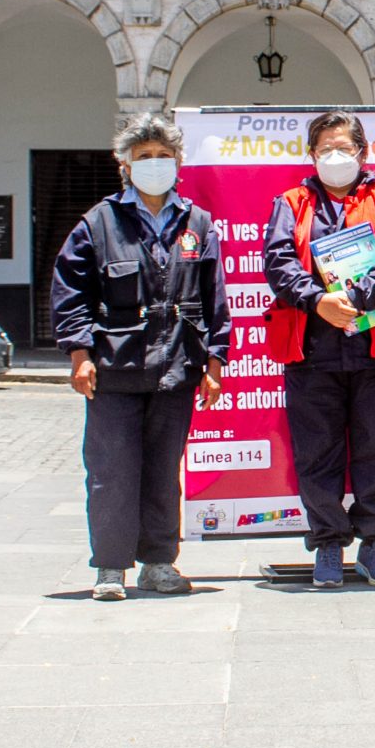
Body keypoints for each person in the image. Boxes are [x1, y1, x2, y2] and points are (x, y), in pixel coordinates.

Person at [51, 113, 229, 600]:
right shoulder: (98, 222)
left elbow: (215, 299)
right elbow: (71, 294)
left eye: (163, 156)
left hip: (176, 369)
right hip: (114, 370)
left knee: (162, 471)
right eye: (144, 157)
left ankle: (158, 563)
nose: (154, 164)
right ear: (125, 165)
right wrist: (79, 354)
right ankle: (110, 569)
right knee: (111, 471)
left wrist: (214, 364)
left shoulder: (197, 223)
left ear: (178, 162)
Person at [263, 111, 375, 589]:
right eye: (325, 148)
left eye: (344, 148)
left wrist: (355, 297)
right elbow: (277, 261)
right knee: (317, 453)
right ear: (312, 155)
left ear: (362, 152)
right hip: (312, 349)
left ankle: (374, 545)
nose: (335, 157)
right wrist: (318, 301)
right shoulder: (290, 203)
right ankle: (329, 543)